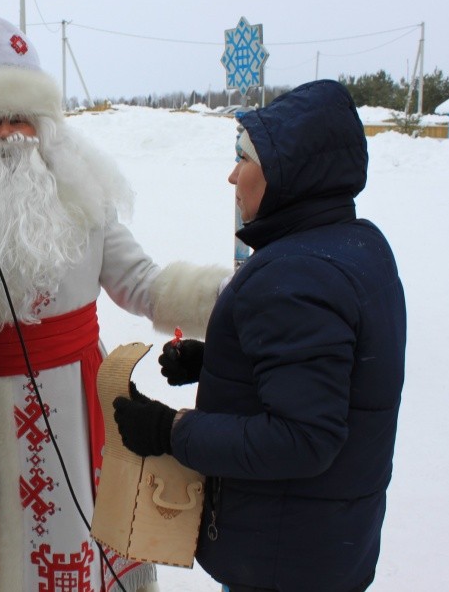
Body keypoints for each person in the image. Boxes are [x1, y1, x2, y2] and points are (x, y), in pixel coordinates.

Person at [0, 17, 229, 592]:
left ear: (45, 124)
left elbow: (140, 281)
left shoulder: (82, 187)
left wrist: (223, 299)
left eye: (21, 118)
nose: (8, 133)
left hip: (76, 397)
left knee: (76, 543)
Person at [113, 79, 407, 592]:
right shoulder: (354, 246)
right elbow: (331, 370)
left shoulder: (294, 278)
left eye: (244, 158)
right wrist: (222, 361)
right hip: (321, 542)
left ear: (287, 174)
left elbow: (303, 438)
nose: (232, 175)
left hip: (282, 558)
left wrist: (171, 432)